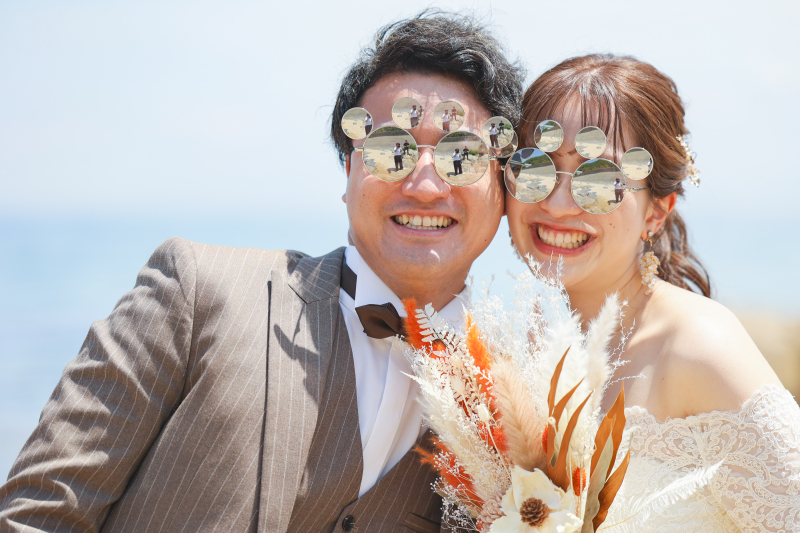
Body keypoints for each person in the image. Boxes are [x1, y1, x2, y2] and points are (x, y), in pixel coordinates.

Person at [0, 13, 524, 533]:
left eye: (462, 156)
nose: (427, 186)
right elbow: (38, 515)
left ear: (504, 188)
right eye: (391, 151)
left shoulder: (519, 404)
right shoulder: (199, 290)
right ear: (349, 171)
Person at [507, 54, 800, 532]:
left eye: (598, 180)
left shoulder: (700, 346)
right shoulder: (526, 353)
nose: (557, 205)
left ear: (656, 212)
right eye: (533, 167)